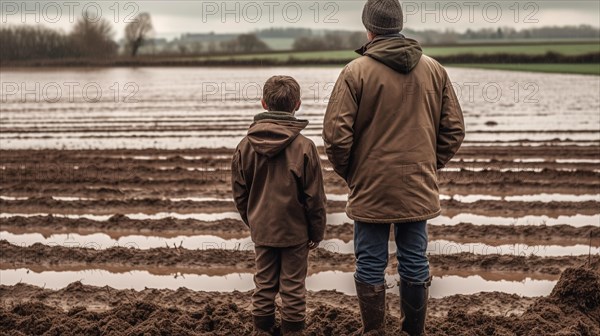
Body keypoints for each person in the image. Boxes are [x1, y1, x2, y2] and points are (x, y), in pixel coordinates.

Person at [322, 0, 465, 334]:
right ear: (399, 25)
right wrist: (428, 164)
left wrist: (353, 172)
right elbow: (454, 130)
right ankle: (412, 332)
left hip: (371, 184)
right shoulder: (434, 69)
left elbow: (335, 136)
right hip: (416, 182)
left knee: (370, 261)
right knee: (415, 259)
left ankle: (374, 332)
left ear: (369, 29)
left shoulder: (354, 72)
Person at [232, 75, 327, 335]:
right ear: (297, 104)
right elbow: (315, 198)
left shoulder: (244, 146)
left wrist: (254, 221)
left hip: (262, 229)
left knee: (264, 285)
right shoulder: (305, 148)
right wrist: (316, 232)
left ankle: (261, 330)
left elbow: (240, 194)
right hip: (296, 232)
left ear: (263, 103)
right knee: (294, 288)